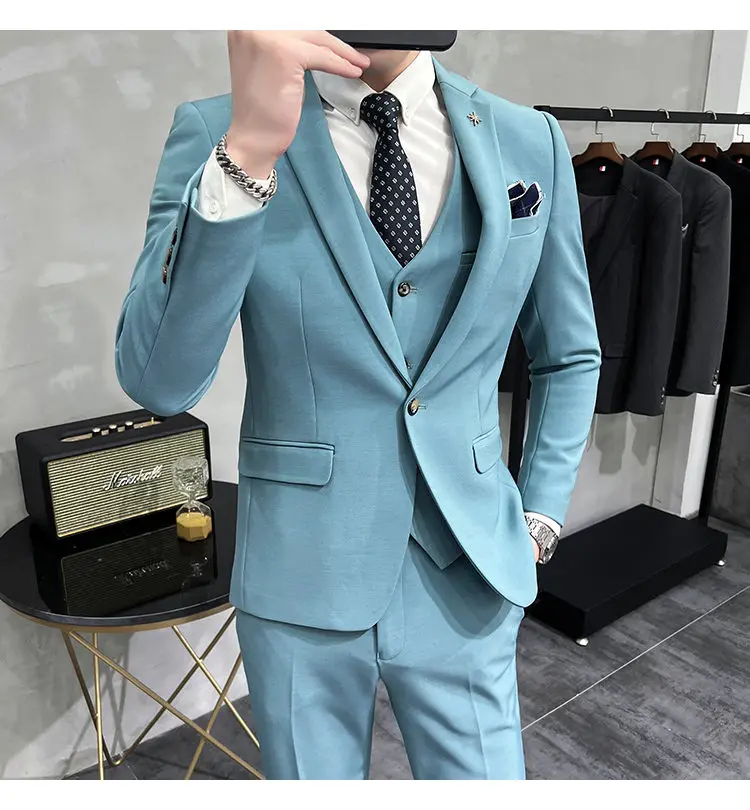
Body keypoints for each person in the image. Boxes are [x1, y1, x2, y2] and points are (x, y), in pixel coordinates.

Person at [115, 31, 601, 780]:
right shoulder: (218, 132)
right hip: (301, 575)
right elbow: (159, 380)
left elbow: (568, 353)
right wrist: (248, 154)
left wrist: (541, 512)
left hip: (468, 566)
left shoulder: (526, 138)